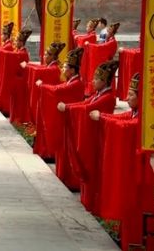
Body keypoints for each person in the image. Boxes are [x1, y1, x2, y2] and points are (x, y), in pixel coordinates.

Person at [89, 73, 154, 251]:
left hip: (140, 172)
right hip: (133, 169)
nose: (127, 98)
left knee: (137, 210)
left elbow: (127, 126)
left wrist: (103, 118)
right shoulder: (134, 113)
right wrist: (105, 117)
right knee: (129, 210)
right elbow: (121, 119)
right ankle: (129, 241)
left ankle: (141, 243)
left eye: (131, 95)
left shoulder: (145, 118)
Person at [57, 59, 118, 213]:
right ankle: (87, 202)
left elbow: (88, 108)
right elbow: (84, 104)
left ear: (104, 81)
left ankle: (94, 204)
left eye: (96, 79)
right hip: (93, 137)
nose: (93, 81)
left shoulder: (107, 97)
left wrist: (68, 109)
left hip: (99, 140)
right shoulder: (98, 94)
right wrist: (69, 107)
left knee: (94, 170)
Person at [34, 47, 85, 188]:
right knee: (64, 149)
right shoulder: (70, 81)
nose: (63, 69)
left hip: (73, 122)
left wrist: (42, 86)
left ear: (73, 70)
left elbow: (57, 90)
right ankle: (64, 177)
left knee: (70, 152)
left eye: (66, 67)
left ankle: (72, 180)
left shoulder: (76, 83)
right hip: (67, 121)